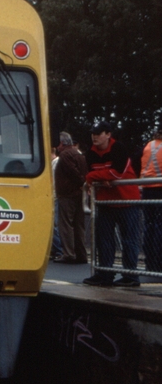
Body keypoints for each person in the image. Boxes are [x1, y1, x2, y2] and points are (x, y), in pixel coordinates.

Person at [83, 121, 142, 287]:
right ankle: (105, 274)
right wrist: (102, 177)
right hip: (106, 201)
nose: (95, 136)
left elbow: (117, 173)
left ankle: (131, 276)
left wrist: (97, 177)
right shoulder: (91, 153)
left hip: (127, 201)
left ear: (108, 134)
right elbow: (90, 174)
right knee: (104, 239)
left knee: (129, 240)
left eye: (99, 133)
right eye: (93, 133)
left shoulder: (118, 148)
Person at [53, 132, 89, 264]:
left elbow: (72, 171)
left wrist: (79, 182)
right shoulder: (78, 153)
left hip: (67, 194)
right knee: (79, 225)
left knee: (65, 224)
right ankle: (81, 253)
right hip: (79, 193)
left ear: (62, 143)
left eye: (58, 143)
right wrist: (83, 185)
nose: (57, 147)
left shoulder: (64, 155)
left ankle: (68, 253)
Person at [140, 127, 162, 272]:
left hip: (147, 188)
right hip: (160, 187)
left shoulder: (149, 146)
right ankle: (159, 261)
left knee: (149, 225)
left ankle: (150, 262)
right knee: (159, 226)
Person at [49, 148, 63, 260]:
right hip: (54, 196)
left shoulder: (55, 163)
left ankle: (59, 250)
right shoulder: (53, 163)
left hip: (54, 196)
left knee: (54, 225)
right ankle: (56, 250)